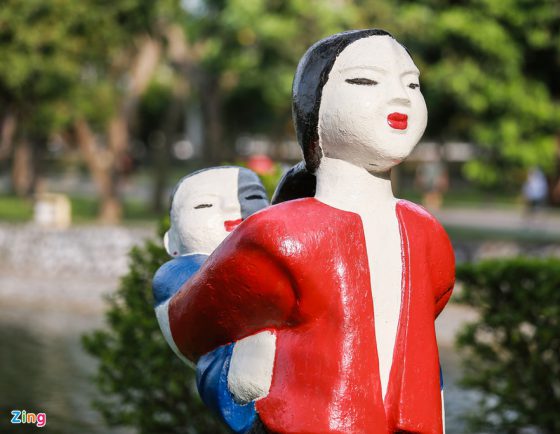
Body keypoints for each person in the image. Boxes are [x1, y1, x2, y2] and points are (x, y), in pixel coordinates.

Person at [162, 29, 455, 433]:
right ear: (314, 110)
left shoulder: (426, 233)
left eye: (412, 84)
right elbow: (193, 324)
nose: (400, 98)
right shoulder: (278, 236)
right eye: (365, 81)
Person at [152, 166, 269, 432]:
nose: (234, 211)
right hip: (238, 391)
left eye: (252, 198)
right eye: (204, 206)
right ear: (172, 243)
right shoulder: (175, 276)